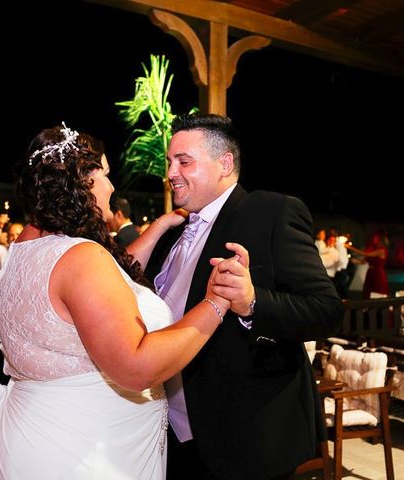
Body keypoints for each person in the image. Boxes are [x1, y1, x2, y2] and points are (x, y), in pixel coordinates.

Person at [0, 122, 237, 479]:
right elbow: (135, 368)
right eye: (105, 174)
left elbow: (107, 284)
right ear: (84, 181)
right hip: (86, 453)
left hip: (34, 435)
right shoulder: (80, 258)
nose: (111, 185)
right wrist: (215, 304)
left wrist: (157, 227)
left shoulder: (25, 249)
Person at [143, 113, 343, 480]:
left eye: (184, 161)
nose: (171, 172)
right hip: (171, 438)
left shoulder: (271, 212)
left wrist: (253, 303)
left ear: (225, 163)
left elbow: (325, 310)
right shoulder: (172, 234)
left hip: (245, 439)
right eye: (170, 162)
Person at [347, 230, 389, 299]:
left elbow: (366, 254)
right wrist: (353, 260)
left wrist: (350, 247)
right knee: (368, 292)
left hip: (378, 274)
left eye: (376, 238)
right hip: (370, 273)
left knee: (377, 292)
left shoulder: (382, 250)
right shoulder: (375, 249)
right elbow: (363, 261)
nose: (374, 240)